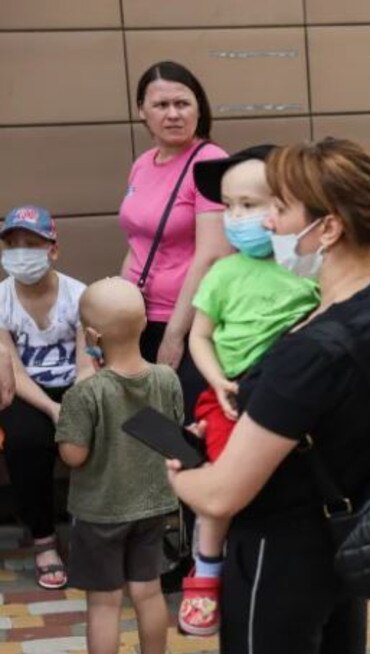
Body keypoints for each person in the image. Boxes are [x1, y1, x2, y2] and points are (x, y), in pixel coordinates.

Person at [166, 138, 370, 654]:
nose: (268, 221)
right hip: (344, 534)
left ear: (327, 228)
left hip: (279, 554)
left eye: (278, 206)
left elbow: (225, 491)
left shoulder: (311, 351)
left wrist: (179, 473)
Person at [173, 145, 321, 638]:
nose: (237, 217)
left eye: (252, 205)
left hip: (285, 399)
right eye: (230, 206)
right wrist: (214, 378)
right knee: (220, 486)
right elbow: (199, 334)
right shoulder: (222, 273)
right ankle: (206, 570)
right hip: (227, 398)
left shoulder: (306, 268)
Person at [55, 278, 183, 654]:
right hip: (152, 507)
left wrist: (84, 374)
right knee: (149, 595)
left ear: (90, 337)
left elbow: (74, 454)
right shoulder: (167, 379)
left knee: (104, 603)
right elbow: (174, 437)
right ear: (145, 322)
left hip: (100, 514)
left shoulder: (87, 392)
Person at [118, 60, 229, 418]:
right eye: (161, 105)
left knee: (185, 423)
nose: (173, 114)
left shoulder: (211, 162)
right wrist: (120, 315)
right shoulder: (143, 163)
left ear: (199, 107)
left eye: (182, 103)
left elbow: (212, 255)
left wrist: (175, 336)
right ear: (141, 111)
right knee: (145, 423)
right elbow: (137, 244)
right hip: (140, 319)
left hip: (189, 321)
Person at [0, 205, 91, 590]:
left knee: (94, 436)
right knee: (25, 440)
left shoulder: (80, 295)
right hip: (26, 390)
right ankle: (44, 541)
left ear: (53, 249)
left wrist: (72, 407)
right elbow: (13, 372)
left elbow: (88, 365)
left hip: (77, 384)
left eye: (32, 244)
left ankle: (92, 531)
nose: (21, 252)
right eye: (12, 245)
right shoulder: (2, 299)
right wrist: (52, 408)